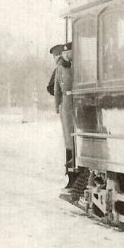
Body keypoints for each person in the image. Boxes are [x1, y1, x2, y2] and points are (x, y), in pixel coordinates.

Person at [54, 42, 77, 187]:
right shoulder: (60, 68)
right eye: (64, 54)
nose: (66, 56)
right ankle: (71, 177)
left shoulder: (78, 66)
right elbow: (57, 88)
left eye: (69, 53)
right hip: (66, 107)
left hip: (77, 103)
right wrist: (57, 105)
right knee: (68, 140)